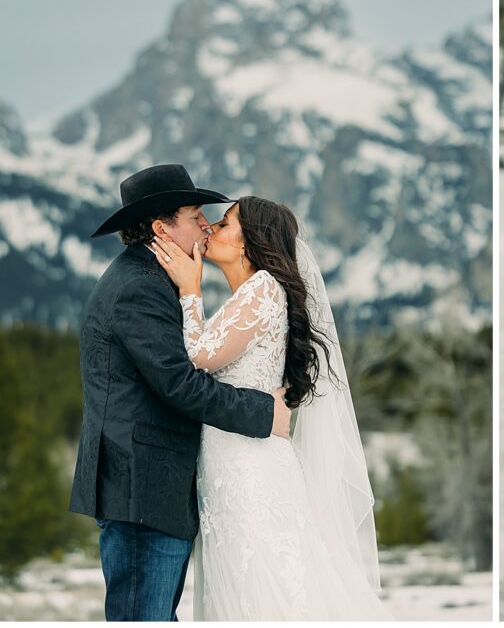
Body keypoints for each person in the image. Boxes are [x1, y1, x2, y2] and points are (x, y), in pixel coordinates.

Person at [70, 164, 292, 621]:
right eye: (195, 216)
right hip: (141, 491)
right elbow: (179, 383)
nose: (206, 226)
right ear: (160, 227)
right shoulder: (138, 289)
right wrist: (263, 412)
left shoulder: (150, 280)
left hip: (152, 490)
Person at [150, 195, 389, 619]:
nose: (210, 230)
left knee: (266, 581)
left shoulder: (262, 289)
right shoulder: (247, 296)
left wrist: (190, 291)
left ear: (249, 242)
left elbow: (201, 354)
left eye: (223, 224)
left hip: (250, 468)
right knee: (244, 582)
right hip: (231, 462)